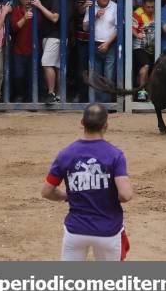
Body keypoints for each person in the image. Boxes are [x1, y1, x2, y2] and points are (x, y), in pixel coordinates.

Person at [42, 103, 134, 261]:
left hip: (76, 230)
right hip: (108, 230)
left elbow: (47, 192)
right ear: (106, 125)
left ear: (82, 122)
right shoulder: (115, 155)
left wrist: (66, 195)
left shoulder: (66, 154)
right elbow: (125, 195)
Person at [83, 0, 118, 102]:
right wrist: (95, 16)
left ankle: (107, 104)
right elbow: (85, 27)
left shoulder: (115, 7)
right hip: (94, 45)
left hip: (110, 45)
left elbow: (119, 28)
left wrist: (107, 43)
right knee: (95, 76)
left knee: (108, 75)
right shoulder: (91, 7)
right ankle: (97, 103)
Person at [33, 0, 63, 105]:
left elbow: (55, 18)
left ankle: (51, 93)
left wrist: (39, 6)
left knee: (46, 63)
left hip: (55, 36)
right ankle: (59, 95)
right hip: (47, 36)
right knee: (56, 66)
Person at [10, 0, 37, 103]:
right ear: (20, 0)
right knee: (19, 75)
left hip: (34, 49)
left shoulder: (36, 10)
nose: (27, 1)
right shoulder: (16, 11)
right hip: (19, 50)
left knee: (32, 76)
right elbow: (14, 28)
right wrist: (24, 18)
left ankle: (31, 99)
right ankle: (20, 96)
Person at [132, 0, 156, 102]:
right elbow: (130, 27)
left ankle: (150, 94)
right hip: (140, 46)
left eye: (152, 7)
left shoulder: (158, 13)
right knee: (145, 66)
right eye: (148, 7)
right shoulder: (138, 14)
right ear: (143, 6)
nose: (150, 9)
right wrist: (137, 34)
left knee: (152, 70)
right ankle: (141, 92)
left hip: (153, 47)